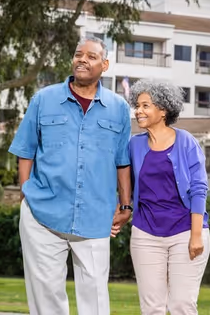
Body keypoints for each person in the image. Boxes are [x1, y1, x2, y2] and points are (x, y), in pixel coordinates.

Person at [9, 36, 132, 315]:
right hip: (43, 215)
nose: (83, 60)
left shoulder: (119, 108)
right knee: (46, 299)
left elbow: (122, 161)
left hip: (96, 217)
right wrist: (26, 190)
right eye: (79, 54)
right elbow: (25, 150)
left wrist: (125, 205)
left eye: (91, 56)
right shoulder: (44, 99)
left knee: (96, 301)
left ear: (105, 64)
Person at [128, 80, 210, 315]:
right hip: (145, 233)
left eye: (146, 106)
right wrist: (122, 208)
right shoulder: (134, 145)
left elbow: (198, 189)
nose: (138, 111)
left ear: (163, 110)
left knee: (181, 305)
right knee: (152, 307)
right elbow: (124, 182)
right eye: (137, 105)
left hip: (185, 231)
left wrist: (196, 236)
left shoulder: (186, 141)